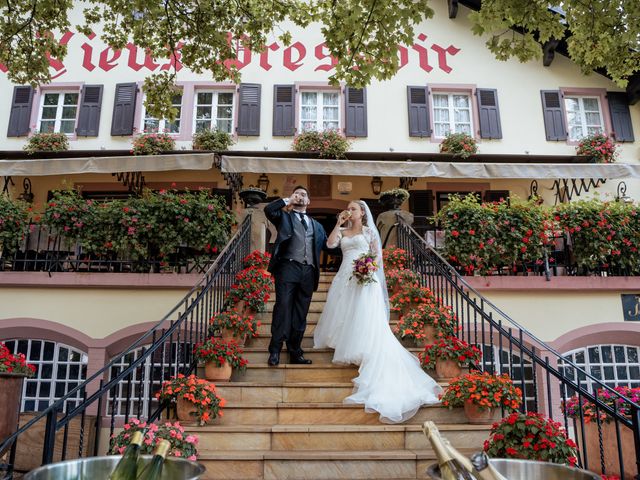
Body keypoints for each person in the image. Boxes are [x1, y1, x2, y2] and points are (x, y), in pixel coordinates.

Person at [314, 200, 442, 423]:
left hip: (364, 277)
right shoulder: (342, 230)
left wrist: (368, 269)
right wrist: (337, 223)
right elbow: (331, 244)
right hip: (345, 276)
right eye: (348, 208)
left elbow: (376, 256)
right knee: (344, 311)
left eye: (353, 208)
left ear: (362, 212)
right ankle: (344, 340)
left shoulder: (369, 231)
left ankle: (363, 345)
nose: (349, 211)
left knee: (363, 314)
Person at [264, 186, 328, 366]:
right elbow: (268, 210)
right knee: (283, 308)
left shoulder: (317, 226)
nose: (300, 197)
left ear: (309, 201)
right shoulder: (283, 216)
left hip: (309, 271)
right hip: (287, 267)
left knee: (300, 313)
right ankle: (275, 350)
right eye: (297, 194)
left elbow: (329, 246)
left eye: (304, 195)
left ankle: (295, 351)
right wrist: (288, 200)